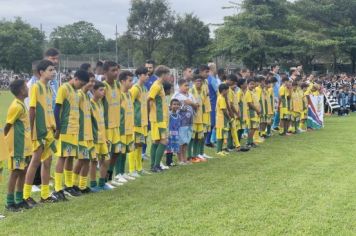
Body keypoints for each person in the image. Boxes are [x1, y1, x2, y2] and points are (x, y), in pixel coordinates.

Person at [23, 60, 57, 206]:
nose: (54, 72)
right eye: (50, 69)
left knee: (48, 161)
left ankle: (44, 195)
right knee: (35, 161)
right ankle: (26, 195)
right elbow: (32, 109)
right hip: (39, 130)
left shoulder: (49, 88)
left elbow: (49, 109)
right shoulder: (36, 87)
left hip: (49, 130)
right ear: (41, 72)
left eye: (54, 69)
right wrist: (31, 130)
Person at [53, 70, 89, 199]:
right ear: (76, 78)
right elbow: (56, 109)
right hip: (65, 129)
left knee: (70, 157)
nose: (82, 86)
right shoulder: (64, 88)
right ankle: (57, 188)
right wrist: (57, 128)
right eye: (82, 83)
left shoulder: (75, 92)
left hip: (74, 129)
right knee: (62, 157)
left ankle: (68, 185)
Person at [4, 80, 32, 211]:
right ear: (21, 90)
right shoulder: (16, 106)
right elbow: (7, 125)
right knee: (15, 172)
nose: (28, 89)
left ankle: (20, 200)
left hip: (25, 146)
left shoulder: (22, 104)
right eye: (26, 87)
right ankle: (10, 202)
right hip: (17, 146)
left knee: (23, 171)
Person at [72, 74, 96, 194]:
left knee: (87, 160)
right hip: (81, 133)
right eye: (90, 81)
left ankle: (82, 186)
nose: (91, 84)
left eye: (93, 81)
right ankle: (72, 184)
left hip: (88, 133)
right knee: (81, 159)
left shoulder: (87, 96)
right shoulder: (79, 95)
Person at [101, 61, 123, 186]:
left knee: (116, 152)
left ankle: (109, 177)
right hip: (106, 126)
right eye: (113, 71)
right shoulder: (102, 87)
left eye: (116, 70)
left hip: (116, 125)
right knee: (106, 156)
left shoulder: (118, 85)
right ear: (105, 72)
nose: (116, 73)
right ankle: (102, 181)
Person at [89, 81, 112, 191]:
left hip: (102, 137)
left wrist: (106, 137)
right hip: (94, 138)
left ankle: (102, 183)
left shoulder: (100, 104)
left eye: (104, 90)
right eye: (101, 90)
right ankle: (93, 185)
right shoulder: (89, 104)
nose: (103, 92)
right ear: (93, 91)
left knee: (106, 160)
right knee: (94, 161)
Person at [148, 65, 170, 173]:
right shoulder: (156, 86)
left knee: (156, 141)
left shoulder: (160, 85)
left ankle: (154, 165)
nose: (169, 77)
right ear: (163, 75)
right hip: (158, 118)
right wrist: (153, 113)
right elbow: (150, 99)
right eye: (168, 74)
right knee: (163, 141)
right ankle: (156, 165)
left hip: (161, 118)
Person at [172, 79, 200, 163]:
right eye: (185, 85)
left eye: (188, 85)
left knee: (186, 142)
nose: (187, 87)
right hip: (180, 122)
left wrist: (193, 104)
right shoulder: (177, 95)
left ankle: (185, 158)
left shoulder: (190, 95)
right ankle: (180, 159)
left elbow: (195, 105)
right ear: (180, 86)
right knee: (180, 142)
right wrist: (192, 104)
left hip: (189, 121)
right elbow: (189, 103)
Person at [128, 67, 150, 176]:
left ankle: (139, 168)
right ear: (139, 76)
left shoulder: (144, 88)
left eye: (148, 74)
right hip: (136, 122)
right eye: (145, 74)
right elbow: (129, 104)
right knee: (134, 145)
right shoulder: (135, 88)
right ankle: (132, 170)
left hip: (143, 122)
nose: (147, 76)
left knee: (140, 144)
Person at [114, 71, 135, 181]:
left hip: (129, 127)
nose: (132, 83)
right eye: (130, 81)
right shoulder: (119, 95)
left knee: (126, 150)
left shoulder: (129, 94)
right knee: (120, 151)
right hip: (121, 128)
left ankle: (122, 172)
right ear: (122, 81)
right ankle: (117, 174)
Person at [189, 75, 205, 161]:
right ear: (194, 82)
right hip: (193, 118)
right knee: (191, 137)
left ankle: (196, 154)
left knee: (198, 137)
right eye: (197, 81)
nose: (199, 83)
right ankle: (189, 155)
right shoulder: (191, 90)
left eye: (200, 81)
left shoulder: (202, 90)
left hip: (200, 117)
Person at [216, 83, 231, 156]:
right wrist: (229, 118)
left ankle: (221, 149)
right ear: (223, 90)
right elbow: (224, 110)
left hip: (223, 120)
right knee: (220, 136)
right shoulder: (221, 98)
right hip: (221, 120)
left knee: (223, 135)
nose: (228, 92)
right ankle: (218, 150)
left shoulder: (223, 97)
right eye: (227, 90)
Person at [245, 78, 261, 148]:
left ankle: (251, 141)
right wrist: (257, 110)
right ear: (247, 84)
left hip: (255, 112)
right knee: (252, 127)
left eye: (253, 84)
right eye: (251, 84)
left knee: (254, 127)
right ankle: (249, 142)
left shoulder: (254, 92)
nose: (252, 85)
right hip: (251, 112)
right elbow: (249, 103)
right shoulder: (248, 92)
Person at [166, 99, 181, 165]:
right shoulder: (169, 115)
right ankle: (168, 161)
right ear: (171, 105)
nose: (176, 106)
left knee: (173, 148)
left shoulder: (179, 116)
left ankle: (171, 161)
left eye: (178, 104)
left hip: (176, 134)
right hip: (170, 134)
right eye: (174, 104)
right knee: (169, 148)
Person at [206, 63, 217, 147]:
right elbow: (217, 91)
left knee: (210, 123)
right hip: (213, 103)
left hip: (209, 103)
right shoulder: (212, 79)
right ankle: (207, 140)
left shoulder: (207, 79)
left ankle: (208, 140)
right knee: (212, 123)